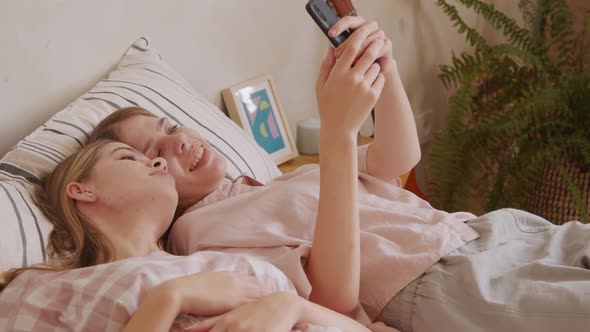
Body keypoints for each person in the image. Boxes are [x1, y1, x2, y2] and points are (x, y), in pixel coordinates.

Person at [87, 15, 590, 332]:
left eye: (170, 127)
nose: (174, 143)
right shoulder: (198, 234)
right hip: (441, 283)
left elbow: (396, 161)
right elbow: (332, 297)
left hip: (489, 232)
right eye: (151, 152)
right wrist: (338, 133)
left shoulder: (276, 179)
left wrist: (383, 68)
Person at [0, 139, 381, 332]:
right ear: (82, 190)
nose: (159, 160)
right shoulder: (41, 289)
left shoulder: (210, 261)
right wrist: (170, 298)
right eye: (128, 158)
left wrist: (289, 306)